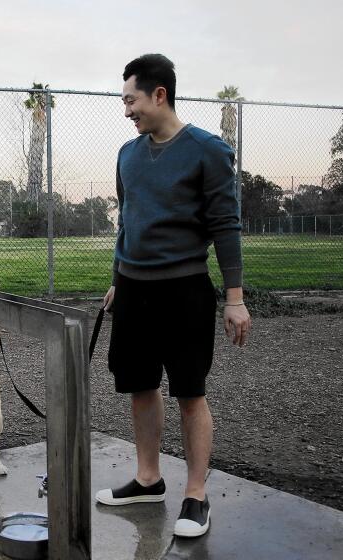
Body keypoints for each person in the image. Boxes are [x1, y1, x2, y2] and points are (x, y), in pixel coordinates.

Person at [95, 54, 252, 538]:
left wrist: (234, 297)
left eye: (131, 100)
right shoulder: (127, 154)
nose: (127, 111)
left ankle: (196, 495)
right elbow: (129, 223)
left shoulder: (208, 150)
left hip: (184, 289)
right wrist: (118, 278)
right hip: (134, 288)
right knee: (140, 384)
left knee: (189, 391)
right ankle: (148, 478)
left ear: (159, 94)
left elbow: (226, 226)